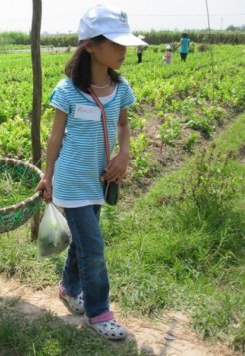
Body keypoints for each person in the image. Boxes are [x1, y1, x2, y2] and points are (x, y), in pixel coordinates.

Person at [35, 3, 145, 340]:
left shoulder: (120, 87)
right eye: (115, 43)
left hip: (100, 177)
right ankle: (99, 312)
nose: (123, 50)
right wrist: (47, 175)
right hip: (71, 179)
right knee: (94, 246)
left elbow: (124, 126)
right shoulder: (67, 90)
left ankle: (69, 288)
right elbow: (55, 138)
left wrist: (124, 154)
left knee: (83, 242)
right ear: (90, 46)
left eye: (124, 43)